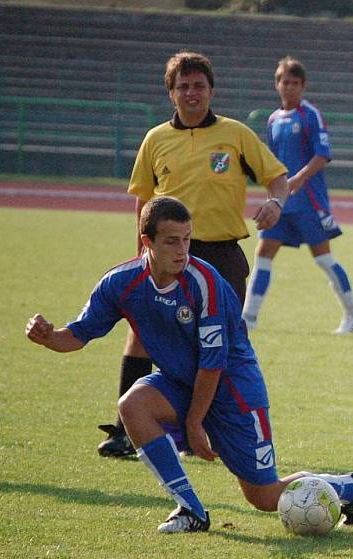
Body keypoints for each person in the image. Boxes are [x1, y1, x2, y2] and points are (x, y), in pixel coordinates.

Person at [26, 197, 353, 533]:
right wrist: (48, 336)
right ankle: (191, 509)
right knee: (132, 405)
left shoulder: (204, 282)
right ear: (146, 241)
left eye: (187, 240)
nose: (182, 250)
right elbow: (78, 334)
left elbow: (213, 363)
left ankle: (351, 487)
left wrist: (194, 424)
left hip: (233, 388)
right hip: (180, 383)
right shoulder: (121, 282)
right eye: (171, 241)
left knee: (265, 496)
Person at [97, 51, 290, 458]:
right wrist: (141, 256)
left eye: (198, 85)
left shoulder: (235, 134)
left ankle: (205, 430)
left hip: (220, 257)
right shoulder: (156, 139)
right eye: (182, 86)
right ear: (171, 93)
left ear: (211, 90)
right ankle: (124, 433)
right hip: (165, 257)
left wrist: (276, 203)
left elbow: (277, 178)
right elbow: (144, 205)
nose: (191, 93)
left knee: (215, 347)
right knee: (141, 337)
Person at [241, 56, 353, 335]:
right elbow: (270, 160)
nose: (290, 87)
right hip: (281, 203)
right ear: (277, 84)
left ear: (303, 86)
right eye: (285, 82)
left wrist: (297, 179)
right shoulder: (273, 119)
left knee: (323, 258)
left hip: (308, 201)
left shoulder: (311, 115)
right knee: (263, 254)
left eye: (295, 83)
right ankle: (248, 318)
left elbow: (323, 154)